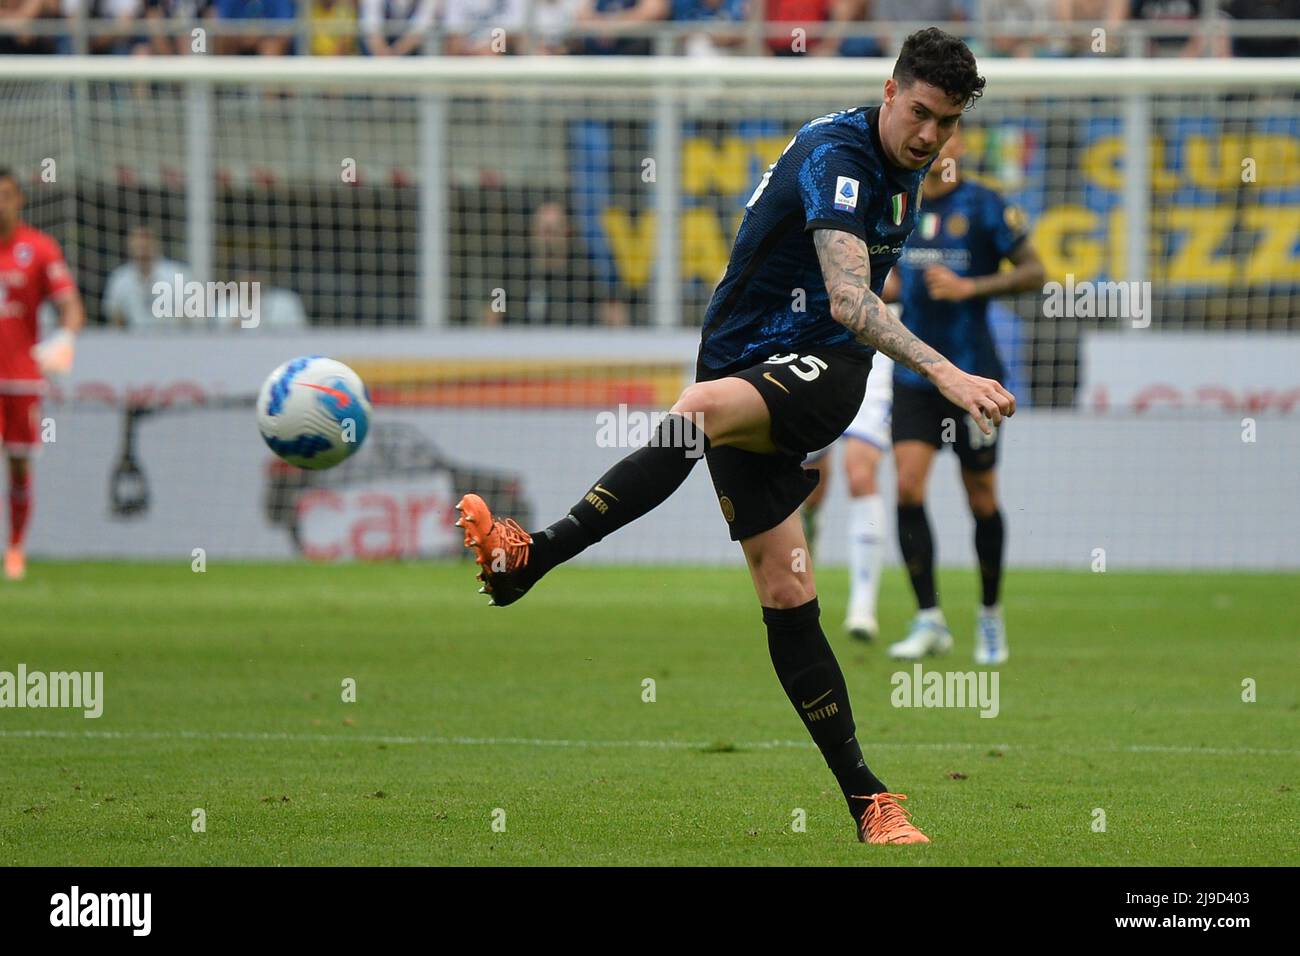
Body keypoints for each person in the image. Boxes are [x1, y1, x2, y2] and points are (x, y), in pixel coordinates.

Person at [457, 29, 1013, 845]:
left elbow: (847, 317)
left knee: (697, 411)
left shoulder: (903, 165)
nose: (931, 135)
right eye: (922, 112)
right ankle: (871, 803)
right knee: (787, 594)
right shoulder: (842, 154)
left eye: (949, 122)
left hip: (818, 371)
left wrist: (938, 373)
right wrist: (948, 373)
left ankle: (532, 555)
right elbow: (852, 296)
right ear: (890, 92)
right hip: (748, 364)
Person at [880, 125, 1045, 666]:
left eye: (948, 137)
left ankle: (990, 616)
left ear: (961, 146)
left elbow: (1036, 273)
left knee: (981, 497)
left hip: (973, 377)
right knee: (907, 487)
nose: (937, 145)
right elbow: (891, 274)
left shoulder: (987, 205)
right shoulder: (901, 200)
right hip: (916, 376)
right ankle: (929, 619)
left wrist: (969, 287)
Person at [0, 168, 85, 581]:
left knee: (18, 465)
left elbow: (70, 304)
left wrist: (65, 338)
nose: (1, 203)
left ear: (19, 200)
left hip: (20, 379)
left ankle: (15, 550)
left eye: (6, 195)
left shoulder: (39, 249)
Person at [798, 348, 894, 643]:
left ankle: (862, 607)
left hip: (875, 348)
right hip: (820, 345)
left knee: (859, 473)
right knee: (808, 486)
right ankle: (806, 542)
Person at [102, 225, 189, 329]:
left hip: (171, 339)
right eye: (138, 244)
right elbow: (116, 319)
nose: (143, 248)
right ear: (130, 246)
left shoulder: (176, 274)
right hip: (133, 341)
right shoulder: (120, 279)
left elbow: (189, 316)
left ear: (156, 245)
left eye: (146, 243)